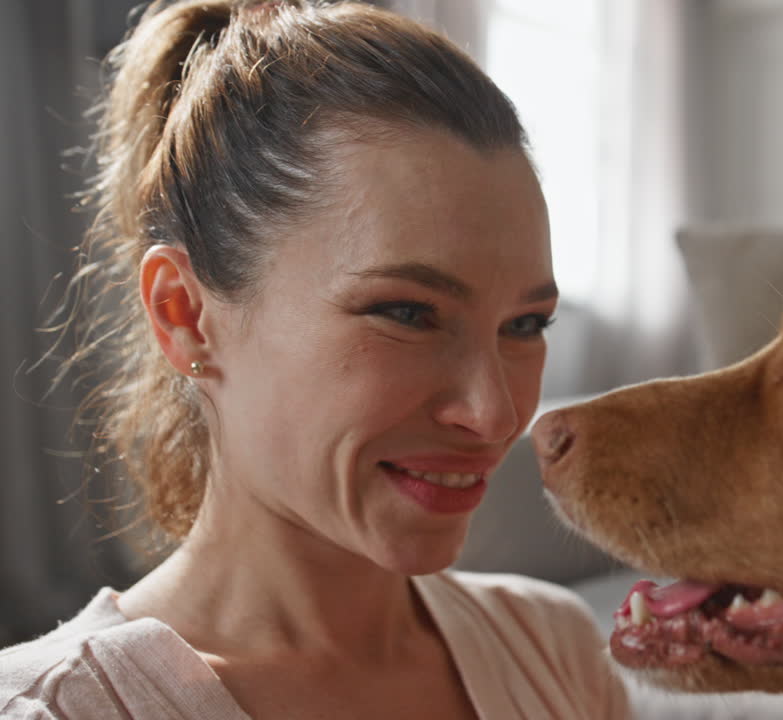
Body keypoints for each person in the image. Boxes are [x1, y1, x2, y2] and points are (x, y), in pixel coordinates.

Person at [0, 1, 631, 718]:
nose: (496, 414)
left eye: (526, 324)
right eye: (407, 314)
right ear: (184, 315)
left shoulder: (557, 651)